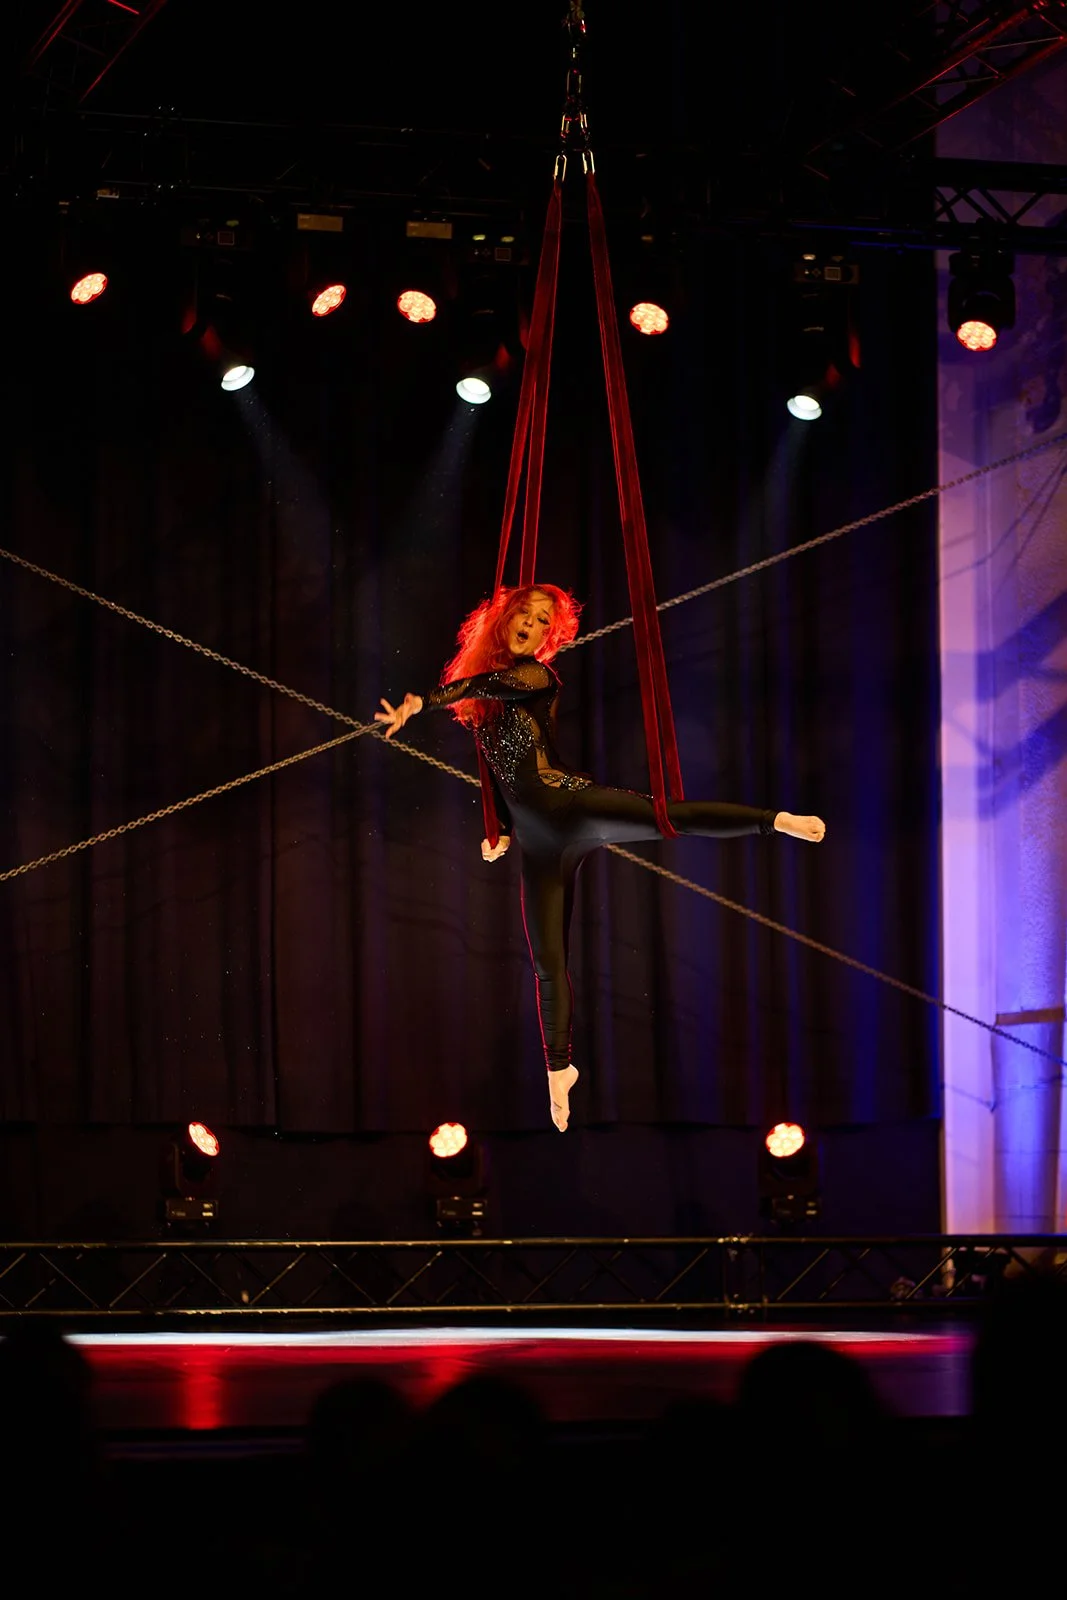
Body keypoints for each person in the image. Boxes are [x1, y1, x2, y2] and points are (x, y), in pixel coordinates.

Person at [376, 583, 825, 1132]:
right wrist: (503, 832)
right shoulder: (487, 708)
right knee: (547, 961)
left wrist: (422, 702)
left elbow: (486, 684)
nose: (530, 626)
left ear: (549, 638)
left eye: (543, 622)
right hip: (540, 843)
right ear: (504, 618)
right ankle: (559, 1069)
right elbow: (499, 771)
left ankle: (774, 820)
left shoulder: (536, 677)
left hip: (572, 806)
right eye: (524, 614)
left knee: (667, 817)